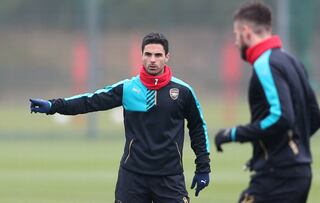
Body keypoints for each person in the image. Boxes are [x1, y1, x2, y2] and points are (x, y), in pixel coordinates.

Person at [30, 32, 210, 203]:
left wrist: (203, 168)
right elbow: (90, 101)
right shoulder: (128, 89)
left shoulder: (183, 91)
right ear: (141, 56)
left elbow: (197, 127)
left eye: (158, 55)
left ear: (167, 57)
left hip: (170, 176)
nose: (152, 60)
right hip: (133, 177)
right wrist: (54, 106)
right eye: (148, 54)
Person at [214, 2, 320, 203]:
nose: (236, 42)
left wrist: (234, 133)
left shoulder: (265, 64)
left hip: (277, 177)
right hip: (301, 174)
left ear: (246, 32)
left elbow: (281, 116)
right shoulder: (293, 62)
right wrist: (277, 149)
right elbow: (314, 117)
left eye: (236, 35)